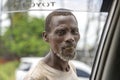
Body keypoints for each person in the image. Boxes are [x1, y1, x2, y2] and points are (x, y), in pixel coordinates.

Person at [24, 8, 80, 80]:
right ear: (46, 37)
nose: (70, 38)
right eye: (61, 32)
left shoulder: (70, 67)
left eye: (74, 31)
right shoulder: (37, 77)